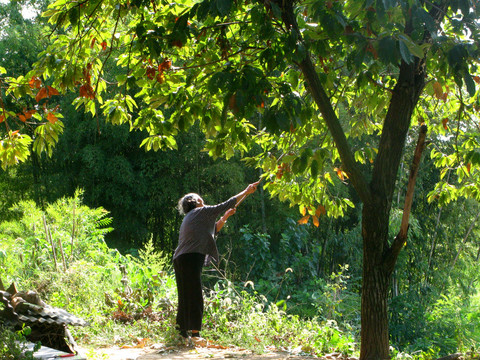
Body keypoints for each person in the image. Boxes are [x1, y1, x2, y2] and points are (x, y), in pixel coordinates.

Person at [173, 181, 259, 344]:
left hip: (181, 259)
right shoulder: (200, 212)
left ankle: (182, 334)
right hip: (190, 257)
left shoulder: (194, 217)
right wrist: (246, 191)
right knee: (196, 295)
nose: (202, 200)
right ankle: (196, 335)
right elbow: (226, 203)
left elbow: (214, 228)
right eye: (199, 198)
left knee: (186, 295)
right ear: (194, 201)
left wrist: (225, 217)